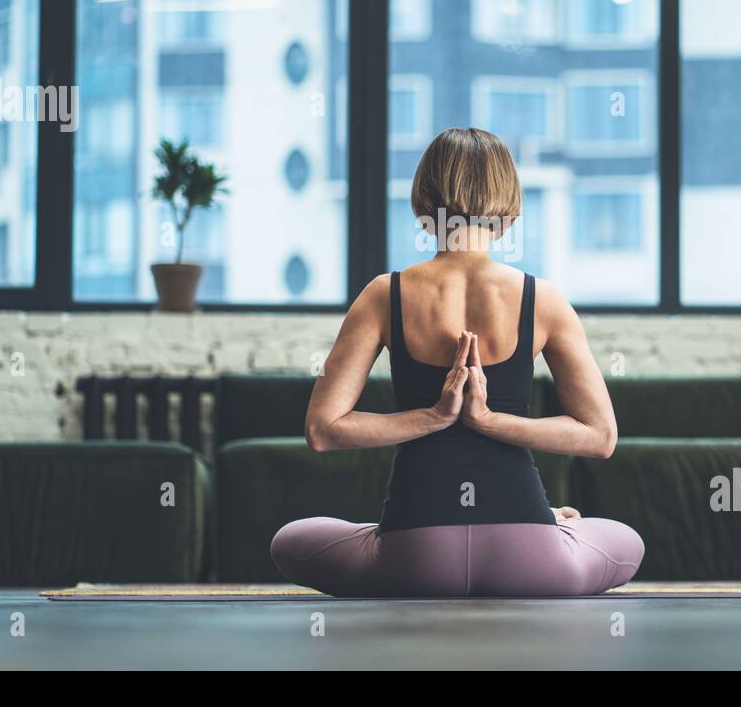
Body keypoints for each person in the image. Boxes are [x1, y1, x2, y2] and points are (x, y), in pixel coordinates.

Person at [271, 127, 644, 596]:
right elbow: (601, 437)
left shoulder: (384, 295)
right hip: (534, 563)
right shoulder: (543, 300)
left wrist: (432, 418)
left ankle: (401, 535)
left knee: (291, 539)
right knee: (626, 540)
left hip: (412, 562)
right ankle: (546, 521)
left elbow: (323, 431)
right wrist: (489, 421)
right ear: (508, 212)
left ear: (423, 208)